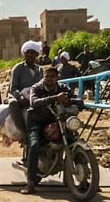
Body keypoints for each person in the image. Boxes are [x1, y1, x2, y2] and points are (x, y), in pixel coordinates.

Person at [21, 66, 75, 194]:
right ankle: (30, 183)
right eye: (47, 76)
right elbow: (33, 102)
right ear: (43, 77)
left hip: (55, 120)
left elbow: (73, 96)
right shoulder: (37, 88)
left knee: (73, 139)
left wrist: (79, 102)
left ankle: (85, 182)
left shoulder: (63, 88)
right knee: (34, 145)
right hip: (37, 121)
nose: (49, 79)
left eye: (52, 76)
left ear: (57, 78)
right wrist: (55, 98)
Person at [7, 40, 43, 143]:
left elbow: (40, 86)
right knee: (13, 104)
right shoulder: (18, 68)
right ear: (24, 53)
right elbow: (13, 88)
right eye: (28, 52)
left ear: (36, 54)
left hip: (33, 96)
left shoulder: (39, 70)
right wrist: (20, 97)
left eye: (33, 53)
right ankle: (23, 133)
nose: (30, 55)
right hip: (17, 95)